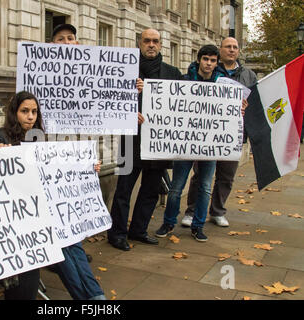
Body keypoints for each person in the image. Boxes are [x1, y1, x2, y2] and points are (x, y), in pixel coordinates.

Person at [0, 90, 105, 300]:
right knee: (61, 245)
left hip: (46, 209)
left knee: (72, 241)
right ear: (14, 113)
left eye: (34, 111)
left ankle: (95, 296)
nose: (30, 116)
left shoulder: (39, 138)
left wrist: (88, 168)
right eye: (25, 111)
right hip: (20, 217)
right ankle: (89, 298)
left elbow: (58, 169)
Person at [107, 29, 182, 251]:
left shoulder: (173, 73)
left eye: (155, 41)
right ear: (139, 43)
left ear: (161, 45)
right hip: (130, 142)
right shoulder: (125, 70)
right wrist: (128, 111)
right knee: (123, 190)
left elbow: (187, 103)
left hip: (159, 144)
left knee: (150, 190)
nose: (151, 44)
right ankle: (117, 233)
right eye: (147, 40)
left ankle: (138, 230)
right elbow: (109, 101)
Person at [182, 37, 257, 228]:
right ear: (220, 50)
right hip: (207, 133)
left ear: (238, 51)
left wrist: (245, 108)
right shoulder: (211, 70)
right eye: (228, 47)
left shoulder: (249, 75)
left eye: (235, 47)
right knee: (200, 175)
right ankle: (191, 211)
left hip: (234, 134)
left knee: (227, 176)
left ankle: (217, 211)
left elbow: (255, 105)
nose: (232, 50)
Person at [155, 45, 226, 242]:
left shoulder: (224, 85)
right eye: (205, 59)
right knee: (177, 187)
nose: (209, 64)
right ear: (199, 60)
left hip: (209, 145)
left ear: (216, 63)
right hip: (185, 144)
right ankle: (168, 222)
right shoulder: (184, 81)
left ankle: (198, 226)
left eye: (212, 60)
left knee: (204, 187)